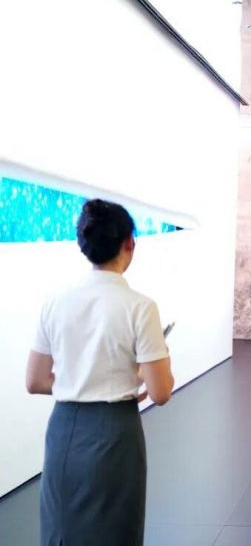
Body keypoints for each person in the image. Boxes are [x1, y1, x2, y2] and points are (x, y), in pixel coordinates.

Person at [26, 199, 174, 546]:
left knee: (61, 530)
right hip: (115, 433)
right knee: (114, 532)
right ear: (129, 244)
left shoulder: (55, 301)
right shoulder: (140, 307)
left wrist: (78, 381)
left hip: (63, 430)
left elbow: (35, 381)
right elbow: (161, 392)